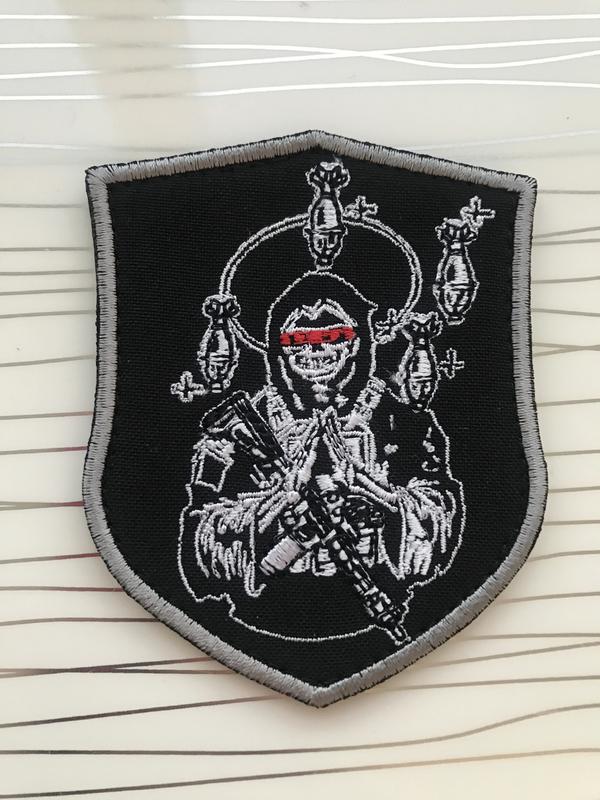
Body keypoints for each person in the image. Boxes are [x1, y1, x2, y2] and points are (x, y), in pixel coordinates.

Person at [178, 271, 464, 641]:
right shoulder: (241, 426)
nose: (314, 350)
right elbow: (199, 536)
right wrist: (277, 508)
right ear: (278, 347)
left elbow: (441, 510)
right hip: (261, 613)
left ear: (356, 342)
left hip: (373, 601)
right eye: (298, 339)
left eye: (332, 337)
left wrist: (375, 494)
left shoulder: (402, 418)